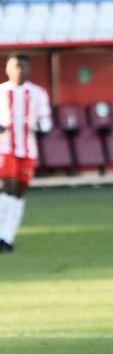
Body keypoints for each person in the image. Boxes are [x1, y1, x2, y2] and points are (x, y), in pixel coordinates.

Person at [0, 55, 51, 253]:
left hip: (28, 149)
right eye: (15, 67)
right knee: (8, 186)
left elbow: (46, 120)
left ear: (28, 70)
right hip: (5, 148)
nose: (19, 71)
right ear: (7, 69)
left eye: (23, 67)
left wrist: (40, 126)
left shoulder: (37, 93)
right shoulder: (1, 91)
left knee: (19, 192)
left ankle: (8, 237)